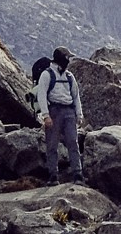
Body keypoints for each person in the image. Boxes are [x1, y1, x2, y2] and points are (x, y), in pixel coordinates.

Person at [34, 46, 85, 182]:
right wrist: (46, 115)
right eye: (67, 57)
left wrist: (79, 114)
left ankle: (77, 174)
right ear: (61, 58)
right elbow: (42, 95)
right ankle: (53, 175)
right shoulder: (47, 74)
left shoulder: (69, 76)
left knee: (73, 142)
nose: (68, 61)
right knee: (52, 144)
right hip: (54, 112)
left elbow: (76, 96)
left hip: (69, 111)